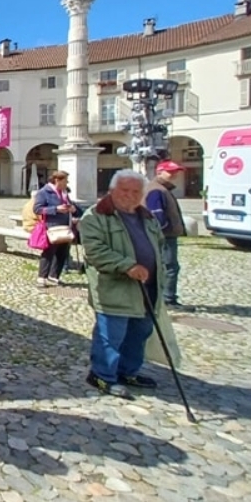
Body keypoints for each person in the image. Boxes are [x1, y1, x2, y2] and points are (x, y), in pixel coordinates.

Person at [80, 170, 166, 399]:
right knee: (111, 335)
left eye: (136, 191)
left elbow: (159, 245)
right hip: (114, 289)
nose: (130, 196)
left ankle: (127, 371)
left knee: (139, 333)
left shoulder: (146, 217)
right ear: (111, 191)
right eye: (124, 190)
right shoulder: (96, 216)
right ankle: (102, 375)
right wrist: (127, 266)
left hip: (148, 287)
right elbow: (95, 252)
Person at [146, 161, 188, 309]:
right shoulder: (157, 190)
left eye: (176, 172)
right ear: (159, 172)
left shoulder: (162, 189)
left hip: (166, 235)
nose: (174, 175)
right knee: (169, 267)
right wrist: (163, 230)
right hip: (165, 236)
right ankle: (167, 299)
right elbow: (156, 216)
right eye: (170, 172)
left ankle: (165, 297)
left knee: (167, 266)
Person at [34, 170, 83, 287]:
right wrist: (56, 209)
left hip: (66, 227)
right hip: (52, 228)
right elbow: (37, 209)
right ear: (57, 180)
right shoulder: (44, 192)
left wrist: (73, 209)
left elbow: (76, 209)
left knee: (62, 252)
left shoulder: (65, 193)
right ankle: (42, 277)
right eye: (65, 181)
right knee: (49, 252)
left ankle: (54, 276)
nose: (67, 183)